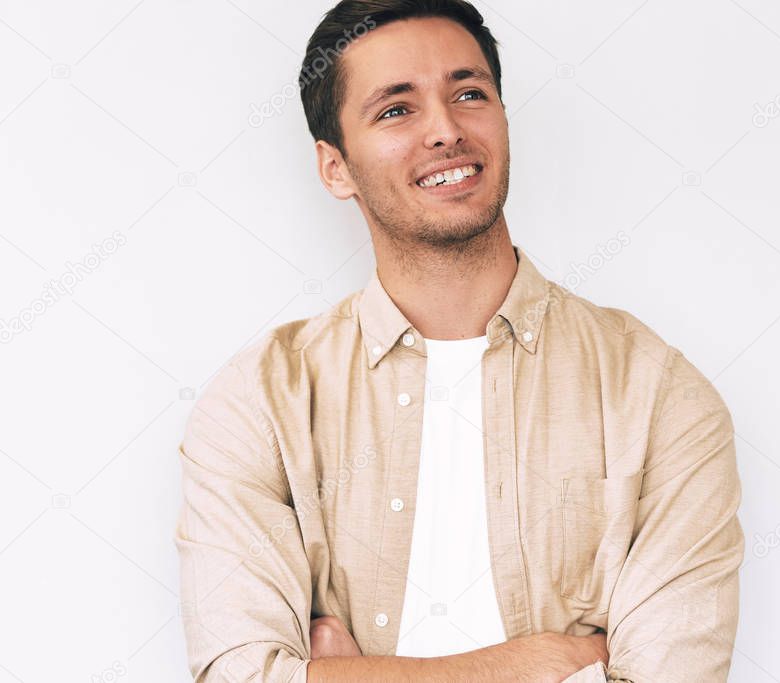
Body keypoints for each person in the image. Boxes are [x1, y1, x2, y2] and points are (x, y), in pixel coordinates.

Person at [173, 1, 745, 680]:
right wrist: (539, 662)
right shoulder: (262, 400)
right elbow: (238, 674)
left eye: (469, 93)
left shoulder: (655, 392)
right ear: (336, 167)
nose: (445, 129)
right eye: (396, 109)